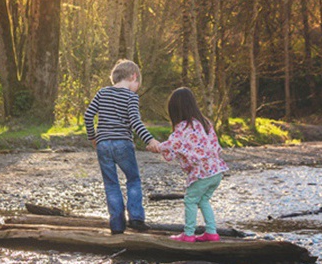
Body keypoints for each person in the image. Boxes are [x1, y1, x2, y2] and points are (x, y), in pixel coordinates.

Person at [85, 59, 161, 235]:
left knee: (111, 184)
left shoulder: (102, 93)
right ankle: (135, 217)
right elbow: (135, 122)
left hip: (103, 144)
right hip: (123, 144)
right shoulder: (131, 97)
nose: (137, 89)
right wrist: (149, 140)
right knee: (133, 179)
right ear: (133, 76)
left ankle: (117, 225)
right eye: (137, 84)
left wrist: (93, 138)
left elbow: (88, 116)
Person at [147, 87, 228, 242]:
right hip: (216, 170)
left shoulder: (184, 127)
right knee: (203, 200)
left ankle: (189, 234)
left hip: (202, 172)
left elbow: (172, 145)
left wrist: (155, 147)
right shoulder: (205, 123)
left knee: (190, 200)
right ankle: (211, 232)